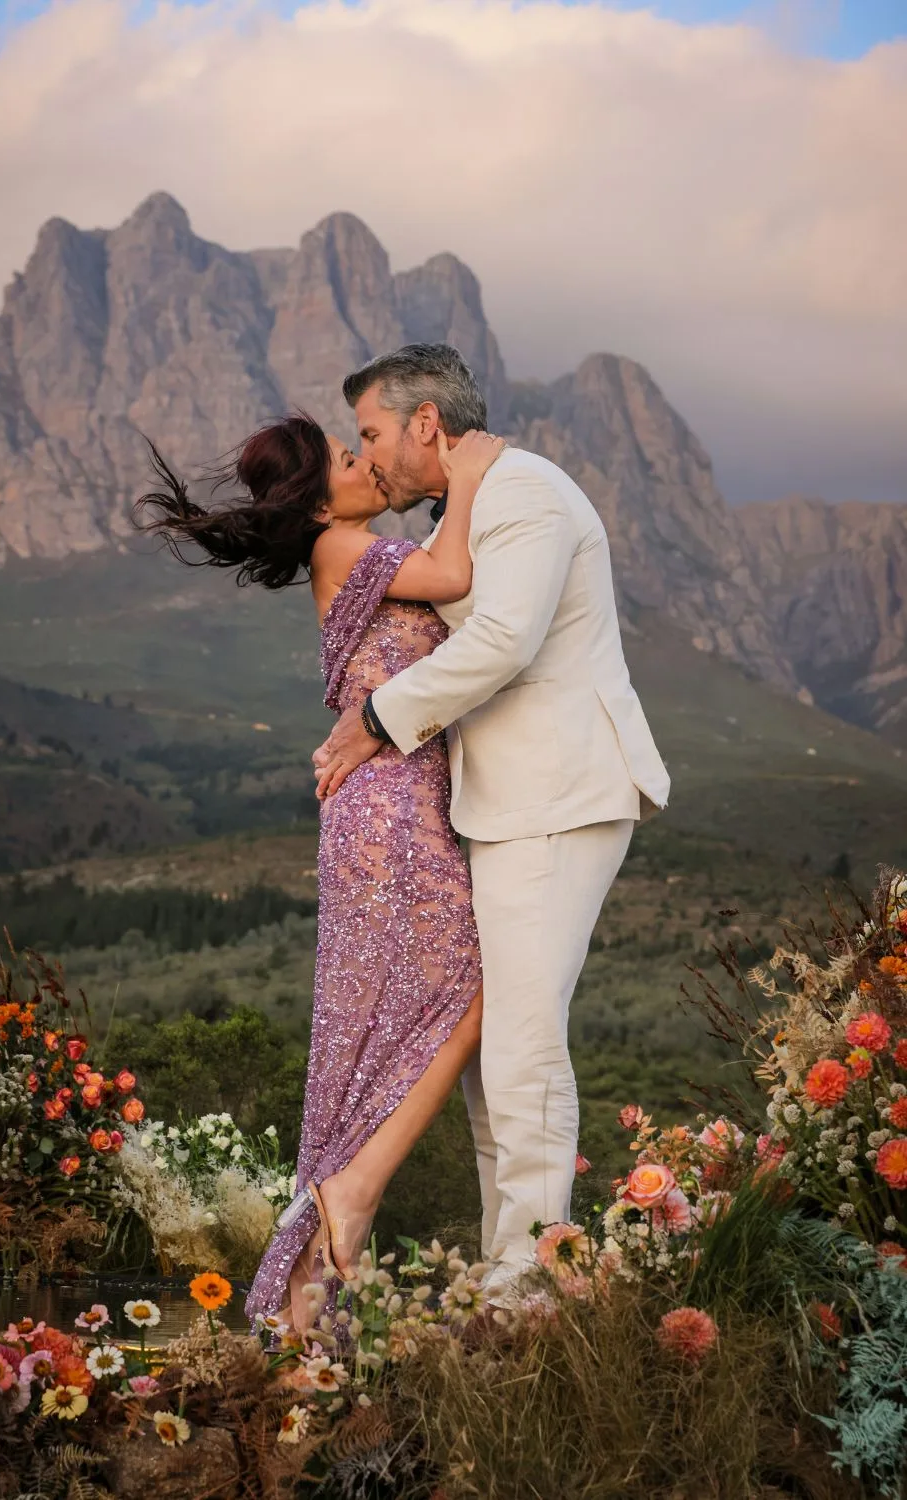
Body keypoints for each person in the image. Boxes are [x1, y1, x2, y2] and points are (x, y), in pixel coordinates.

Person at [313, 344, 671, 1303]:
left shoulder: (527, 493)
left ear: (426, 423)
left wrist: (378, 717)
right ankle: (502, 1270)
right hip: (506, 802)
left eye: (372, 432)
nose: (367, 453)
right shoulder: (474, 508)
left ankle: (533, 1279)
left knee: (521, 1036)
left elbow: (508, 640)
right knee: (493, 1057)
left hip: (557, 795)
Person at [134, 412, 505, 1332]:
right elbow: (453, 578)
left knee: (394, 1020)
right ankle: (352, 1191)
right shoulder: (343, 546)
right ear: (317, 500)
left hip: (395, 805)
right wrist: (467, 476)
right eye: (348, 457)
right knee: (471, 992)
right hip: (391, 814)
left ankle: (311, 1291)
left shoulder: (348, 548)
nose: (367, 462)